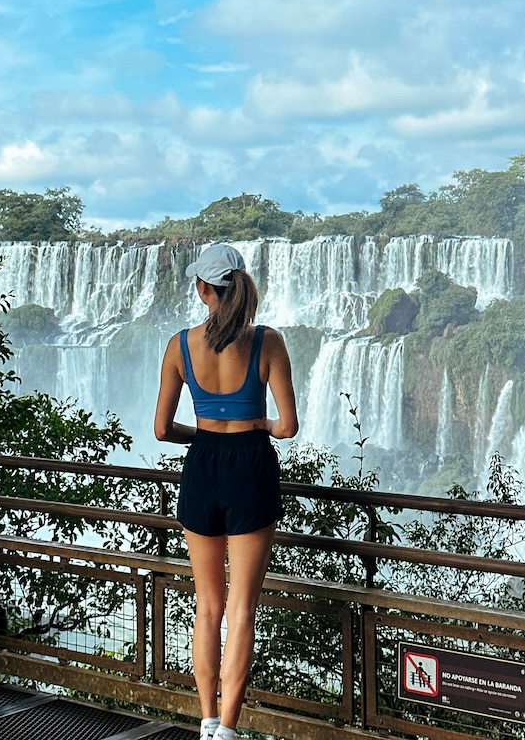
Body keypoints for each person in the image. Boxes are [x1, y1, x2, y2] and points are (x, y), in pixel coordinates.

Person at [154, 243, 299, 740]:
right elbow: (288, 426)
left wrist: (205, 432)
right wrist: (254, 422)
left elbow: (161, 429)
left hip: (203, 466)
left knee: (207, 606)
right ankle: (229, 732)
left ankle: (205, 720)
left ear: (202, 290)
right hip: (250, 466)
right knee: (241, 608)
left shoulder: (179, 345)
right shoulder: (269, 342)